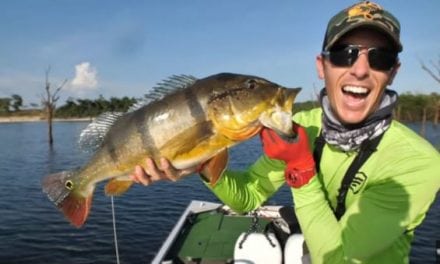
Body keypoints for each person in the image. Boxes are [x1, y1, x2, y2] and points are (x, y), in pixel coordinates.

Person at [131, 1, 440, 263]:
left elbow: (339, 258)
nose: (360, 69)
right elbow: (248, 197)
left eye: (379, 57)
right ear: (322, 66)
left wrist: (301, 170)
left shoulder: (419, 163)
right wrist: (205, 164)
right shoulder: (302, 125)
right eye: (345, 53)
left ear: (393, 71)